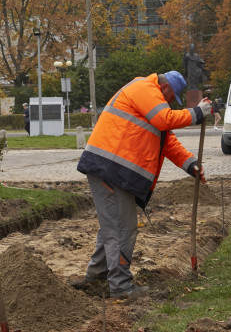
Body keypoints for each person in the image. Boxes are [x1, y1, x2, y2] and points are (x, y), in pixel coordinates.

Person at [73, 70, 213, 299]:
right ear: (166, 88)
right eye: (171, 99)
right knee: (122, 228)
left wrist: (191, 164)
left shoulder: (150, 99)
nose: (169, 103)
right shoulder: (144, 88)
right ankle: (120, 286)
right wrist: (197, 113)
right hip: (109, 169)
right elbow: (166, 120)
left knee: (113, 226)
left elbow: (167, 141)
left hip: (114, 170)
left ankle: (97, 275)